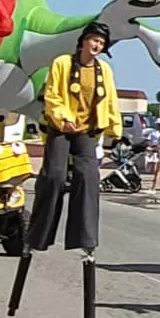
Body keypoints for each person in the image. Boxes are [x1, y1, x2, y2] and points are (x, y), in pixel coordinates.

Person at [26, 20, 120, 256]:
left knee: (88, 177)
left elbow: (110, 101)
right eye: (94, 40)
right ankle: (38, 236)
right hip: (60, 128)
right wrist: (63, 118)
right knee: (54, 177)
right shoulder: (62, 63)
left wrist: (115, 132)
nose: (97, 45)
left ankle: (85, 238)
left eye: (101, 43)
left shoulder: (104, 70)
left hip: (87, 131)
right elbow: (52, 95)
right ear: (83, 41)